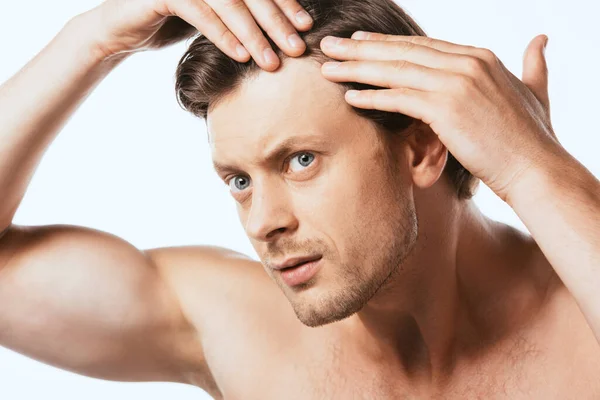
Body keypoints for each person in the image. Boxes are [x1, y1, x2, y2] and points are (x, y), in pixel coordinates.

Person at [0, 0, 599, 398]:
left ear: (420, 150)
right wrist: (91, 40)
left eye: (300, 160)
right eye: (239, 180)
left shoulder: (579, 321)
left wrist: (532, 168)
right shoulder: (239, 328)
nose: (262, 222)